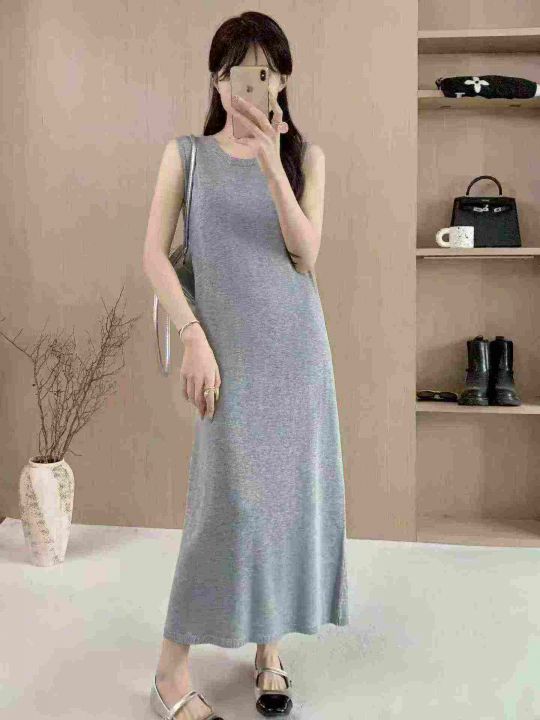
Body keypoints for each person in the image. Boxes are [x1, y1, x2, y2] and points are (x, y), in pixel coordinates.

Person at [143, 11, 348, 720]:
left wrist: (269, 162)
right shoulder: (186, 157)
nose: (252, 83)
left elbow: (305, 255)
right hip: (227, 358)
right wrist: (193, 337)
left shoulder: (306, 159)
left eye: (266, 70)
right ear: (217, 80)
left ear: (281, 81)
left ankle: (269, 650)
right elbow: (152, 257)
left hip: (297, 358)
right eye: (238, 70)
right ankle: (170, 673)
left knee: (285, 506)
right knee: (227, 508)